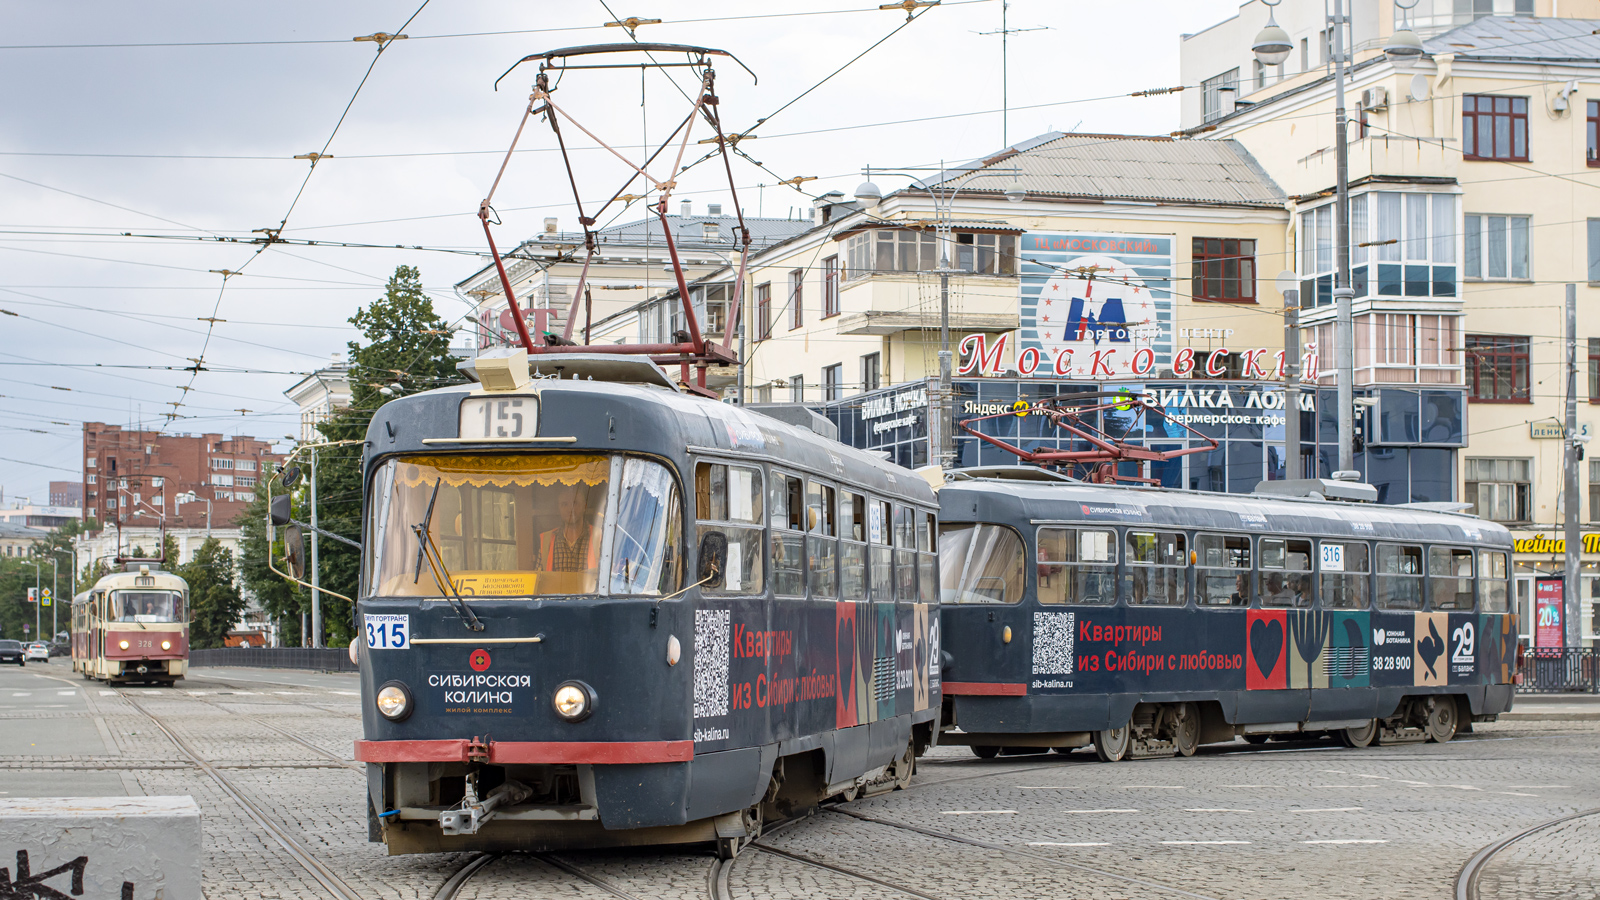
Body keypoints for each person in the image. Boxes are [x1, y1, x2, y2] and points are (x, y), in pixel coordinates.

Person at [541, 484, 599, 572]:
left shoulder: (600, 537)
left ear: (584, 506)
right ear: (558, 508)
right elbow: (538, 577)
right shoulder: (547, 539)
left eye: (575, 503)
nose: (570, 509)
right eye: (564, 504)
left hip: (588, 586)